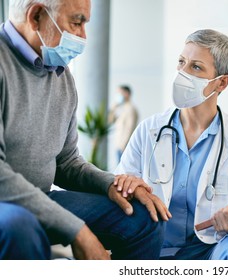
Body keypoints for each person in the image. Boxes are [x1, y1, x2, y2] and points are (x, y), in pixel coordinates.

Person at [0, 0, 169, 260]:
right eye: (76, 23)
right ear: (36, 16)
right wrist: (77, 230)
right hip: (8, 206)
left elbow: (66, 162)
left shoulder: (62, 77)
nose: (83, 36)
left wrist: (112, 185)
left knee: (143, 217)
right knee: (21, 227)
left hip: (40, 200)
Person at [114, 29, 228, 260]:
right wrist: (130, 188)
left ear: (221, 83)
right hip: (152, 246)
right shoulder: (149, 131)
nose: (182, 72)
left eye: (196, 67)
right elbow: (121, 187)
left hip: (212, 247)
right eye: (181, 62)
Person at [109, 85, 139, 163]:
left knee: (122, 173)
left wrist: (124, 146)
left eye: (120, 93)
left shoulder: (131, 109)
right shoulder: (122, 108)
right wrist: (113, 108)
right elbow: (110, 121)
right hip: (119, 145)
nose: (118, 95)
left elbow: (130, 129)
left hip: (124, 147)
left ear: (126, 94)